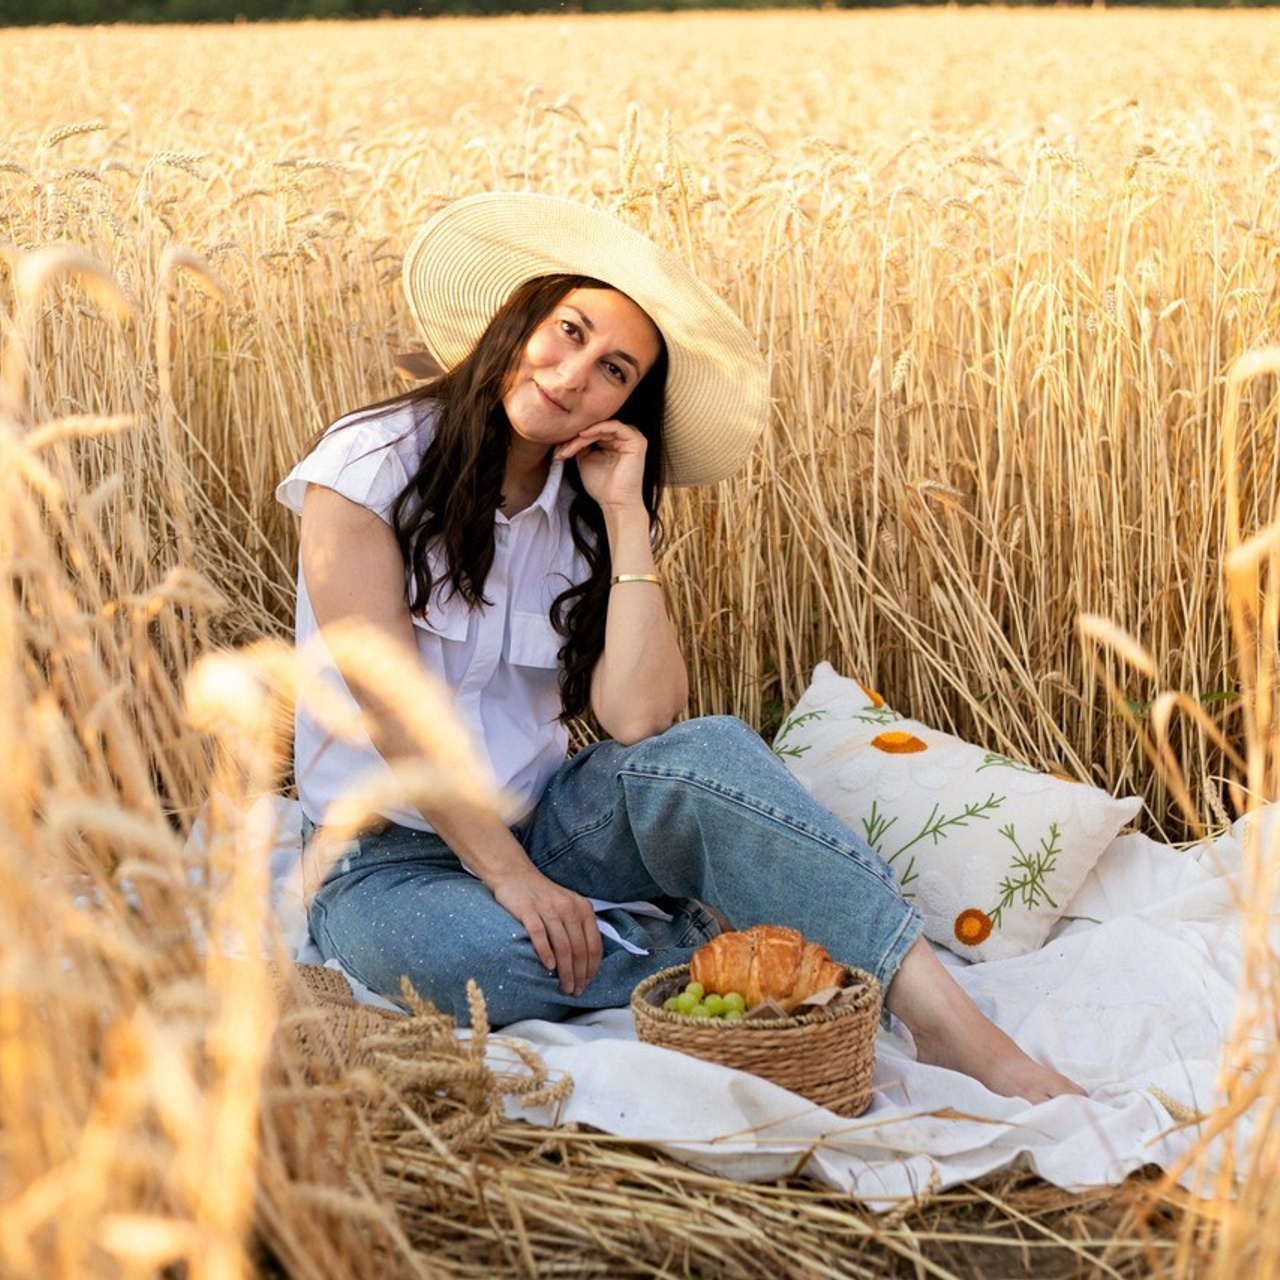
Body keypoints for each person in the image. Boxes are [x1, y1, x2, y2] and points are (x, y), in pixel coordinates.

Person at [277, 192, 1083, 1103]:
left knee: (711, 756)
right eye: (568, 331)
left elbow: (641, 718)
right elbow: (391, 706)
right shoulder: (370, 462)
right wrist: (511, 881)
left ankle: (953, 1029)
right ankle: (761, 941)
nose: (572, 375)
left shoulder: (586, 507)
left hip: (548, 823)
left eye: (613, 369)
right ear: (518, 320)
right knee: (466, 960)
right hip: (385, 857)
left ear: (628, 403)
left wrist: (624, 515)